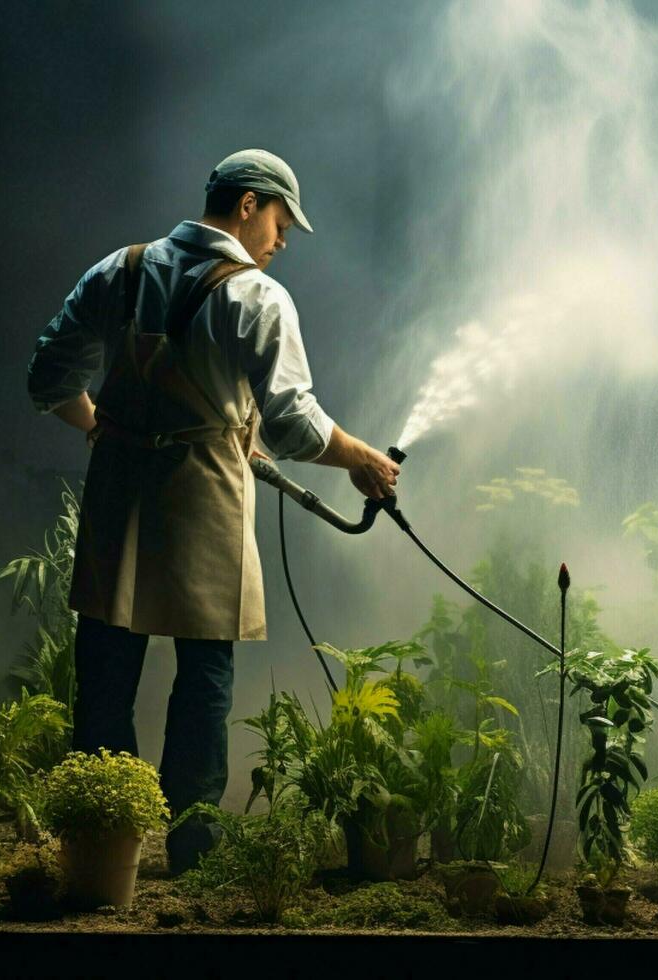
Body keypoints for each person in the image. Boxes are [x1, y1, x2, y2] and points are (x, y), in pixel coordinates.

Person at [27, 148, 398, 873]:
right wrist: (359, 457)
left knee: (105, 666)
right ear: (250, 204)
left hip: (117, 488)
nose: (282, 242)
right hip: (202, 491)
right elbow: (292, 424)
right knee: (203, 674)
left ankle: (102, 848)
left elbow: (48, 375)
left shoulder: (118, 269)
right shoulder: (257, 298)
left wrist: (99, 424)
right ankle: (193, 855)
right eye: (282, 222)